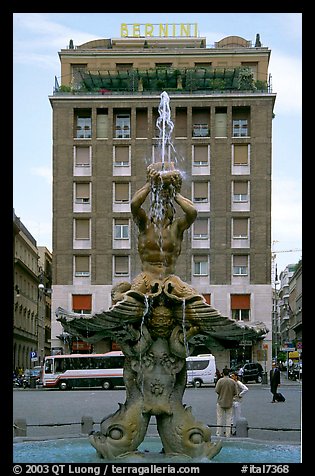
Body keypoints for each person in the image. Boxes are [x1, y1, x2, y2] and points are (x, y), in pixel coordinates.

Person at [129, 161, 198, 297]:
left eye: (167, 206)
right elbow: (134, 204)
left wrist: (175, 194)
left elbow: (193, 212)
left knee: (194, 300)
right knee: (131, 300)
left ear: (172, 211)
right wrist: (150, 184)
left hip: (170, 279)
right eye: (158, 207)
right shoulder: (145, 224)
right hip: (146, 278)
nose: (162, 209)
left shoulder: (177, 227)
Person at [215, 367, 239, 437]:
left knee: (219, 418)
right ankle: (228, 434)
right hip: (229, 402)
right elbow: (235, 392)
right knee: (229, 419)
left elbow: (217, 390)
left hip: (220, 401)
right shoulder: (232, 382)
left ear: (223, 373)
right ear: (229, 373)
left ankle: (218, 433)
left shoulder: (220, 381)